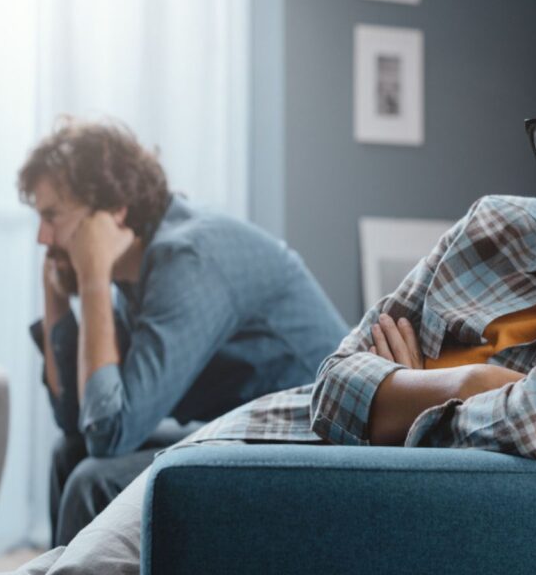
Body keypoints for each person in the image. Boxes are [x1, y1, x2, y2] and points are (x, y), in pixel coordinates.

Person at [3, 4, 536, 573]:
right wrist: (472, 384)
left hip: (372, 505)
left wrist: (411, 383)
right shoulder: (495, 226)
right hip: (260, 445)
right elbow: (334, 379)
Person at [20, 119, 349, 546]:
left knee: (94, 480)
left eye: (52, 217)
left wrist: (93, 279)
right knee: (69, 456)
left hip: (311, 444)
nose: (41, 237)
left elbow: (109, 432)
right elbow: (78, 423)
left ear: (113, 210)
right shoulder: (135, 271)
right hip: (245, 433)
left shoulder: (187, 259)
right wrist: (58, 302)